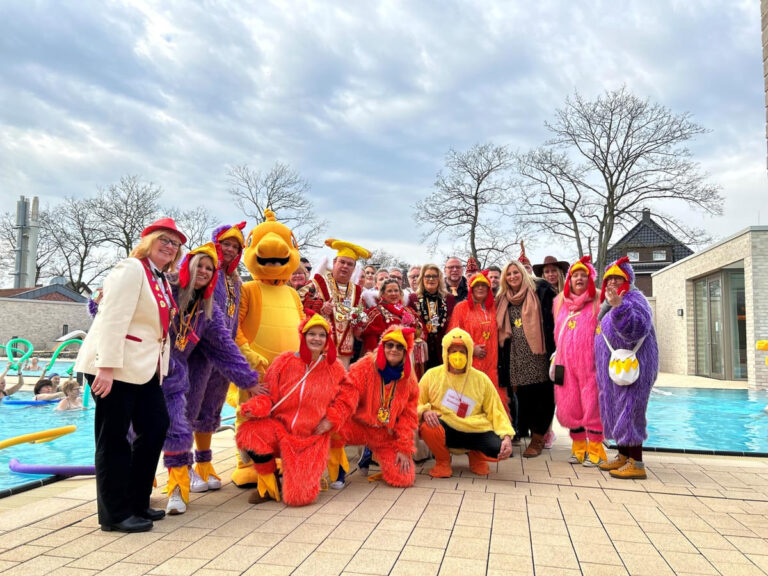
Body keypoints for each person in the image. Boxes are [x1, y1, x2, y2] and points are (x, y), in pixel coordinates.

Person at [75, 216, 184, 533]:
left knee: (155, 427)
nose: (170, 246)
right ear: (148, 241)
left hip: (144, 368)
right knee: (114, 439)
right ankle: (114, 514)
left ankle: (136, 501)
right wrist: (105, 368)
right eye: (164, 239)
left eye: (175, 244)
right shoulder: (131, 268)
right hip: (113, 366)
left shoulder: (160, 278)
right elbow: (112, 318)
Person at [163, 243, 260, 515]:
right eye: (200, 266)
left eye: (209, 267)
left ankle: (177, 489)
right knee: (138, 433)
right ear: (188, 267)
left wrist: (248, 380)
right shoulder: (166, 288)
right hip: (145, 370)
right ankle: (141, 484)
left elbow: (224, 347)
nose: (204, 271)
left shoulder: (208, 309)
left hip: (176, 374)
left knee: (178, 428)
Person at [236, 314, 356, 506]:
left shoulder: (334, 368)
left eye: (321, 335)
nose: (316, 339)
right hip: (280, 430)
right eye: (312, 334)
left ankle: (306, 478)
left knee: (299, 499)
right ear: (303, 335)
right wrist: (254, 407)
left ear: (327, 340)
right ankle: (269, 485)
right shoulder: (284, 361)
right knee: (250, 433)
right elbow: (268, 395)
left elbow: (348, 397)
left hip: (311, 436)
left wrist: (331, 420)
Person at [232, 210, 305, 487]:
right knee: (250, 413)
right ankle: (246, 463)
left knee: (285, 415)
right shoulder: (248, 289)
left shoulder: (291, 293)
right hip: (256, 369)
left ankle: (280, 460)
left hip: (290, 371)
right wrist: (247, 352)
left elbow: (302, 327)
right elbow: (234, 326)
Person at [184, 222, 248, 494]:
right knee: (186, 410)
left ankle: (204, 463)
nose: (231, 250)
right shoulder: (205, 271)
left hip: (222, 353)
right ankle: (181, 466)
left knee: (211, 409)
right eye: (226, 244)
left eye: (236, 246)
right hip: (197, 352)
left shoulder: (236, 280)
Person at [418, 328, 514, 477]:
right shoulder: (432, 375)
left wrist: (507, 437)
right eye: (453, 351)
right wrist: (425, 411)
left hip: (475, 428)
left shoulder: (481, 379)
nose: (457, 355)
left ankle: (476, 456)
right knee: (428, 427)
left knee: (498, 448)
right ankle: (442, 461)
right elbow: (415, 402)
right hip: (446, 427)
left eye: (462, 351)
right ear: (446, 353)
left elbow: (496, 410)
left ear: (469, 353)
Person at [596, 257, 659, 480]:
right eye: (609, 278)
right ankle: (623, 455)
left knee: (631, 410)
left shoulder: (634, 298)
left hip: (635, 369)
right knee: (617, 409)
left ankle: (637, 463)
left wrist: (619, 308)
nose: (612, 282)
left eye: (617, 278)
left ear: (627, 279)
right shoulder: (608, 302)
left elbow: (636, 328)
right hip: (618, 370)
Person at [336, 326, 419, 487]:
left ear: (405, 351)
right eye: (390, 345)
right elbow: (347, 396)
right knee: (331, 430)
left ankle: (371, 454)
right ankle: (337, 470)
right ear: (383, 346)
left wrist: (403, 448)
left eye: (399, 347)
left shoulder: (409, 379)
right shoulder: (366, 366)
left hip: (383, 432)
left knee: (404, 479)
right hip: (357, 425)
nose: (394, 350)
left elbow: (408, 416)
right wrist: (334, 420)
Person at [496, 260, 556, 457]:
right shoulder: (503, 298)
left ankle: (538, 438)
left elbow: (554, 319)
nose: (513, 276)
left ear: (523, 273)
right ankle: (530, 434)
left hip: (539, 354)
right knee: (524, 398)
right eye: (509, 274)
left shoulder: (540, 291)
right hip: (516, 357)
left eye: (516, 272)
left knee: (544, 396)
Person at [552, 256, 604, 465]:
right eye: (576, 275)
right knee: (570, 406)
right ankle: (578, 448)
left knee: (593, 406)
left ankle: (596, 450)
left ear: (590, 279)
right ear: (569, 279)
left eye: (584, 275)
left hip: (590, 366)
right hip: (565, 365)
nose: (579, 279)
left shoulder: (598, 302)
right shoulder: (559, 303)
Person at [300, 238, 372, 369]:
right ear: (334, 263)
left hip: (345, 348)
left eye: (349, 264)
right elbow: (300, 303)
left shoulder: (357, 291)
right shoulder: (317, 282)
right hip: (320, 346)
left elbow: (361, 314)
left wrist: (359, 323)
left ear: (354, 268)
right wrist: (319, 308)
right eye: (342, 262)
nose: (345, 266)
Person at [449, 272, 503, 402]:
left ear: (488, 288)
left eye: (483, 285)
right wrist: (471, 348)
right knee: (470, 401)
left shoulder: (496, 306)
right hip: (470, 364)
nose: (480, 288)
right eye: (476, 285)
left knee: (493, 400)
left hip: (494, 364)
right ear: (471, 289)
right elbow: (453, 335)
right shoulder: (461, 308)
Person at [408, 264, 456, 376]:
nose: (431, 279)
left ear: (439, 279)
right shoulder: (413, 298)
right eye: (427, 276)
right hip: (422, 351)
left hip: (443, 348)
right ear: (422, 278)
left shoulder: (449, 299)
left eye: (435, 276)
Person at [362, 279, 422, 354]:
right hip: (388, 357)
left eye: (396, 291)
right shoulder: (377, 313)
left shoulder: (408, 310)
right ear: (382, 294)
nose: (393, 294)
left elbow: (421, 329)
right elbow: (371, 342)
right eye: (389, 291)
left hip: (410, 355)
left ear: (400, 293)